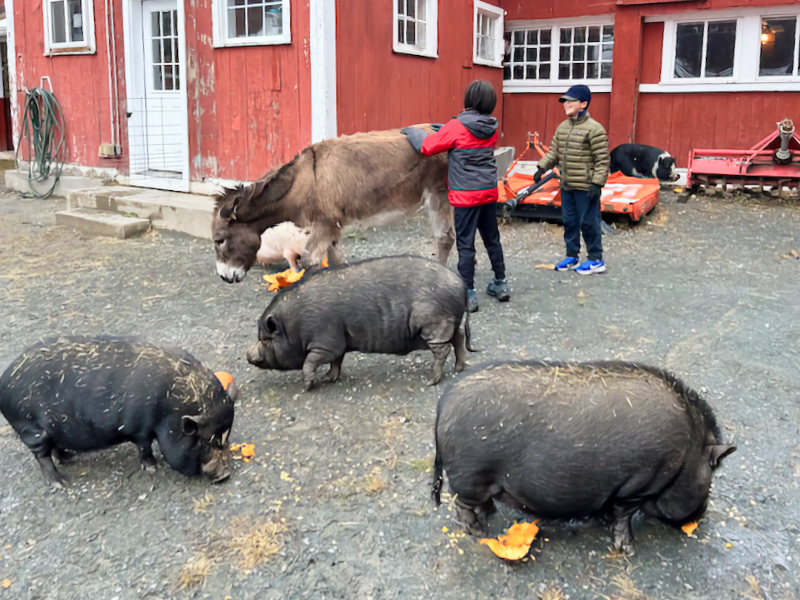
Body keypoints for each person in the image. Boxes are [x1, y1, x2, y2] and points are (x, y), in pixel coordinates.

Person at [401, 80, 508, 313]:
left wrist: (412, 132)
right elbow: (466, 134)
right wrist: (446, 127)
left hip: (466, 196)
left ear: (468, 99)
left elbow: (428, 146)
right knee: (492, 238)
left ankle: (467, 292)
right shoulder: (491, 125)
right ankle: (501, 283)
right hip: (488, 191)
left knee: (466, 244)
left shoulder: (457, 126)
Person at [534, 84, 610, 275]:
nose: (565, 104)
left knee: (589, 223)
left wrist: (596, 183)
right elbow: (554, 152)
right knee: (569, 222)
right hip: (567, 185)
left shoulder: (595, 129)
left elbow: (603, 160)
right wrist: (542, 166)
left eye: (570, 100)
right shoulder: (563, 127)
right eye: (564, 100)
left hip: (586, 187)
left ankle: (596, 259)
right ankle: (571, 255)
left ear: (583, 104)